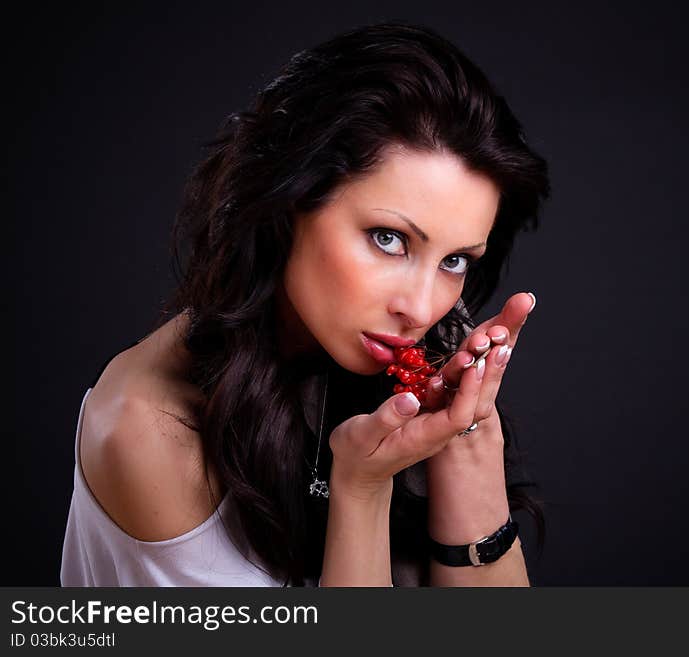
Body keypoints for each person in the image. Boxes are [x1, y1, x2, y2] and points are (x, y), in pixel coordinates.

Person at [60, 21, 549, 587]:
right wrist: (359, 492)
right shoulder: (151, 432)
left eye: (455, 261)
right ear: (288, 201)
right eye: (389, 239)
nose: (420, 308)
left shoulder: (396, 367)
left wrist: (468, 440)